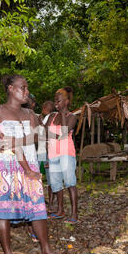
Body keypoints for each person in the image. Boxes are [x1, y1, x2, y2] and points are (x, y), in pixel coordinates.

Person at [0, 75, 60, 254]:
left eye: (27, 88)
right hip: (2, 165)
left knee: (37, 204)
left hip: (28, 164)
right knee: (2, 210)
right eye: (23, 87)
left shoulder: (29, 113)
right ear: (11, 89)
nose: (26, 91)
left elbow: (41, 134)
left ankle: (46, 249)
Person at [0, 85, 41, 181]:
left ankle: (26, 170)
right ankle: (28, 171)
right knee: (17, 149)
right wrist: (4, 137)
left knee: (15, 150)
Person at [45, 87, 79, 224]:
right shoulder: (52, 116)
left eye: (59, 101)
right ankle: (60, 210)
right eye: (55, 101)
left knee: (70, 183)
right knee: (56, 184)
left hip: (66, 153)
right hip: (53, 153)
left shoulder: (72, 117)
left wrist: (64, 113)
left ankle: (74, 213)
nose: (56, 103)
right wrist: (57, 136)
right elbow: (44, 132)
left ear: (66, 101)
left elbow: (64, 133)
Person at [37, 101, 57, 211]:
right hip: (41, 151)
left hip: (47, 151)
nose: (42, 107)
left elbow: (46, 134)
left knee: (50, 178)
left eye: (44, 106)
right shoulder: (44, 117)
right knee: (40, 175)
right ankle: (45, 200)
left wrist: (40, 123)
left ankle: (51, 201)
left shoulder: (51, 117)